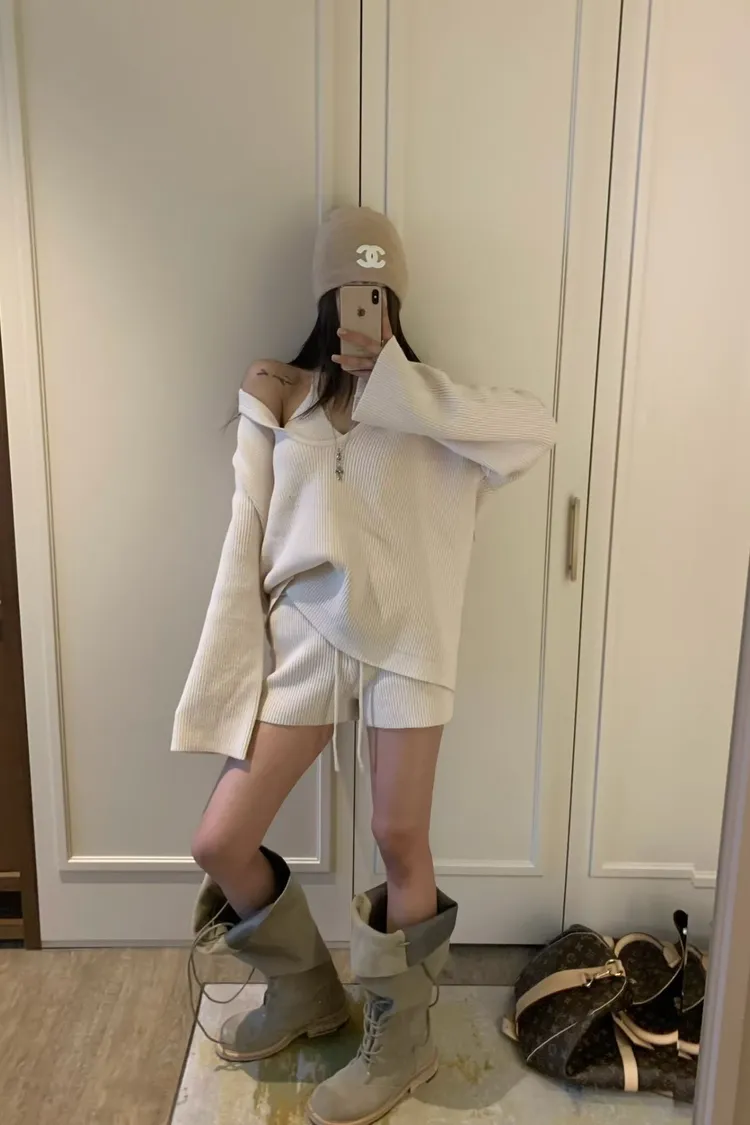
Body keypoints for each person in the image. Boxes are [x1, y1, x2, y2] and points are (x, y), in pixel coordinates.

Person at [172, 206, 556, 1125]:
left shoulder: (427, 402)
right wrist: (257, 414)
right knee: (221, 840)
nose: (363, 305)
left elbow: (536, 429)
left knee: (399, 835)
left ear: (395, 299)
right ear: (325, 295)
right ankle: (308, 991)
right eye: (350, 289)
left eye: (378, 292)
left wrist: (399, 386)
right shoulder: (285, 397)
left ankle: (404, 1042)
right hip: (308, 638)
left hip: (410, 644)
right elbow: (249, 528)